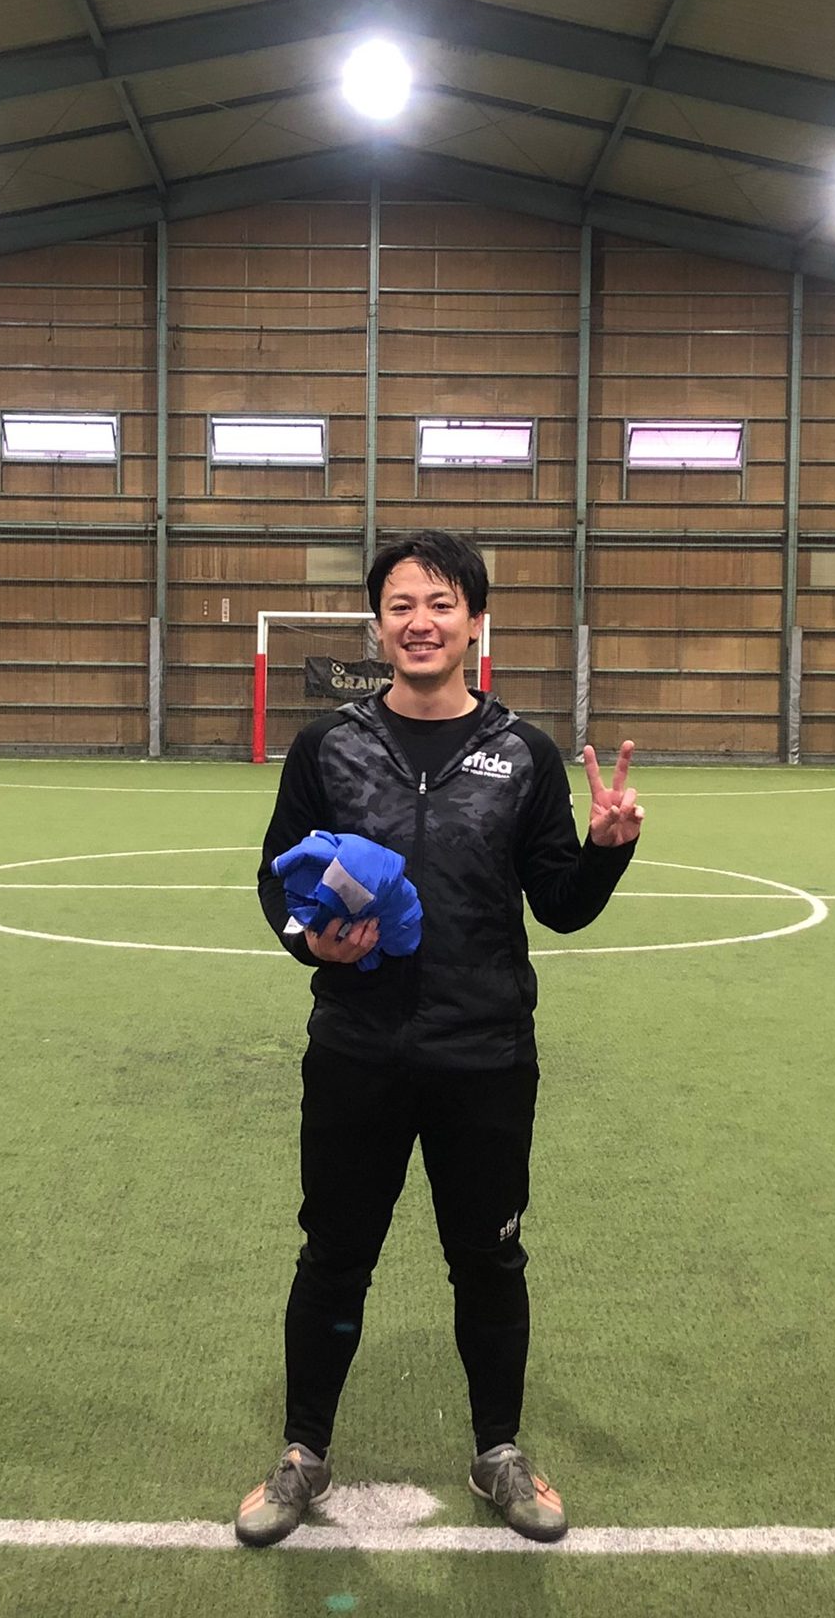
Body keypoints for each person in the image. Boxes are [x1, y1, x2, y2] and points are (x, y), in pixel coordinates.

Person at [237, 530, 644, 1548]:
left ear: (474, 622)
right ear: (378, 625)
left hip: (485, 1054)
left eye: (442, 603)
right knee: (334, 1257)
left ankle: (497, 1450)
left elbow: (559, 905)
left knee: (490, 1261)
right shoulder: (327, 747)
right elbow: (276, 881)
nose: (421, 622)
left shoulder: (523, 753)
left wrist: (604, 852)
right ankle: (303, 1452)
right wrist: (310, 942)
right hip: (356, 1050)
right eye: (402, 605)